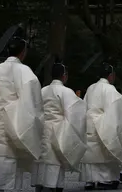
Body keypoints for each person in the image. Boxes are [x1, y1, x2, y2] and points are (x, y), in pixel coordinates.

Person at [32, 62, 87, 192]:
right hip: (58, 130)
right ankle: (54, 185)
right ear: (64, 76)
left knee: (44, 157)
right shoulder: (66, 92)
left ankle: (40, 184)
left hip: (42, 128)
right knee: (55, 158)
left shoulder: (42, 90)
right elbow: (75, 114)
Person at [0, 37, 43, 190]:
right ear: (23, 53)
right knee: (11, 179)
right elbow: (32, 105)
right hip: (13, 133)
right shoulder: (24, 72)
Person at [79, 64, 122, 190]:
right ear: (111, 75)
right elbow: (116, 108)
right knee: (104, 150)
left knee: (91, 152)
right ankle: (105, 180)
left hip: (89, 122)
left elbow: (84, 105)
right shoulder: (110, 89)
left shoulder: (91, 88)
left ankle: (89, 180)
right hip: (102, 123)